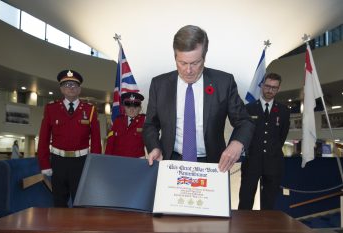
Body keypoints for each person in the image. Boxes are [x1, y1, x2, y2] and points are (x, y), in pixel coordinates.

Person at [143, 25, 254, 172]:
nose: (188, 70)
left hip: (213, 163)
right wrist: (154, 147)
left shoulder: (224, 82)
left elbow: (245, 122)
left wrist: (237, 143)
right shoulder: (159, 85)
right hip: (170, 160)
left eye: (195, 63)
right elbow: (150, 124)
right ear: (174, 56)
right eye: (182, 63)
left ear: (205, 56)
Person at [37, 69, 102, 207]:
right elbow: (43, 138)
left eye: (74, 85)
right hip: (58, 162)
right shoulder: (51, 108)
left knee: (81, 202)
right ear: (61, 88)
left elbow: (96, 141)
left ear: (79, 89)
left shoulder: (90, 110)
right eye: (67, 85)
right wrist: (45, 164)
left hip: (81, 163)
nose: (71, 88)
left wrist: (94, 165)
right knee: (59, 202)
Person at [238, 73, 290, 210]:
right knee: (245, 200)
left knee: (269, 202)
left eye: (274, 87)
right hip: (252, 162)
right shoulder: (249, 109)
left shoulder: (284, 111)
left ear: (278, 89)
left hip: (273, 163)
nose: (270, 90)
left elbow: (282, 136)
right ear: (262, 85)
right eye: (267, 86)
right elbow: (244, 133)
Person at [104, 92, 146, 158]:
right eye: (128, 105)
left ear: (140, 108)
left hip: (137, 163)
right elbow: (110, 143)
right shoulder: (118, 121)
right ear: (124, 107)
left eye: (135, 105)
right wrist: (106, 159)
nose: (132, 109)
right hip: (118, 162)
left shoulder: (144, 121)